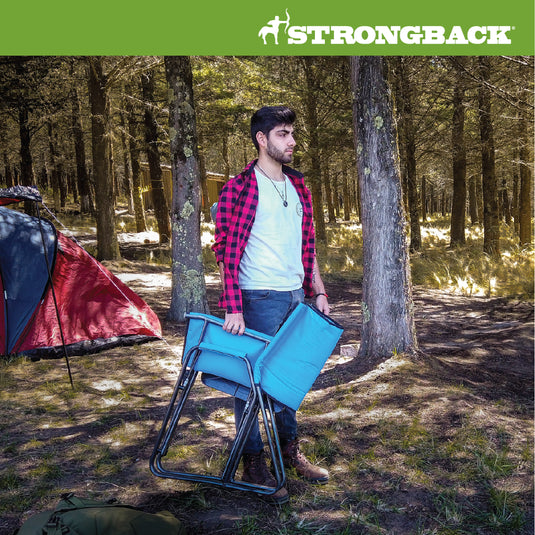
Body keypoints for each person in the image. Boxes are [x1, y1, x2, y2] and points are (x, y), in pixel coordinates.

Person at [212, 105, 330, 504]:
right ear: (262, 140)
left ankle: (288, 451)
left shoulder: (299, 188)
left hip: (297, 297)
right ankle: (253, 460)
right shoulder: (238, 189)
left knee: (289, 380)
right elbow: (226, 253)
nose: (292, 141)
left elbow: (307, 246)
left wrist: (318, 291)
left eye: (292, 133)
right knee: (249, 385)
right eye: (282, 134)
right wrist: (233, 307)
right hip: (257, 297)